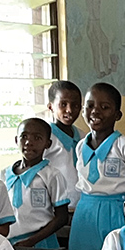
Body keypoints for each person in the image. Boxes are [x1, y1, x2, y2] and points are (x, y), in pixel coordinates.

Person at [73, 82, 125, 250]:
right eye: (90, 106)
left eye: (105, 107)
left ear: (117, 114)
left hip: (115, 212)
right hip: (85, 213)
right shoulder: (80, 147)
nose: (95, 111)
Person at [0, 119, 71, 249]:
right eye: (24, 136)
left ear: (47, 144)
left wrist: (31, 241)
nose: (29, 142)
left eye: (37, 138)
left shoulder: (52, 175)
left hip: (42, 244)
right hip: (9, 245)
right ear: (16, 140)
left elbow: (62, 217)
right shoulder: (4, 175)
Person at [41, 80, 83, 210]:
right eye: (63, 104)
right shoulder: (44, 137)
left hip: (80, 206)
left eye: (75, 105)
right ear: (50, 107)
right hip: (54, 208)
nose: (69, 110)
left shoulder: (83, 137)